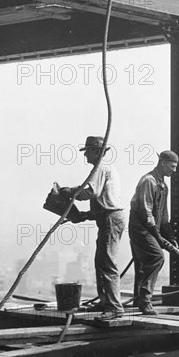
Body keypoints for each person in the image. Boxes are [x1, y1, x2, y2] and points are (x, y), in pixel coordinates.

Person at [60, 136, 126, 320]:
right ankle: (105, 302)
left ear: (97, 151)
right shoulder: (104, 169)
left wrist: (70, 191)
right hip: (108, 218)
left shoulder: (100, 168)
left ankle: (114, 308)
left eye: (88, 151)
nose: (85, 155)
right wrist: (85, 215)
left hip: (110, 219)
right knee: (101, 261)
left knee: (107, 263)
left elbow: (91, 192)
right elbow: (104, 200)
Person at [128, 150, 178, 315]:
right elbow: (145, 212)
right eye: (172, 166)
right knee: (157, 257)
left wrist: (170, 236)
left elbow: (163, 216)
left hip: (149, 229)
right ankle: (145, 300)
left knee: (142, 265)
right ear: (162, 162)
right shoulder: (149, 181)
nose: (174, 170)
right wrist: (157, 237)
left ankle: (139, 302)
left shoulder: (163, 186)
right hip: (140, 228)